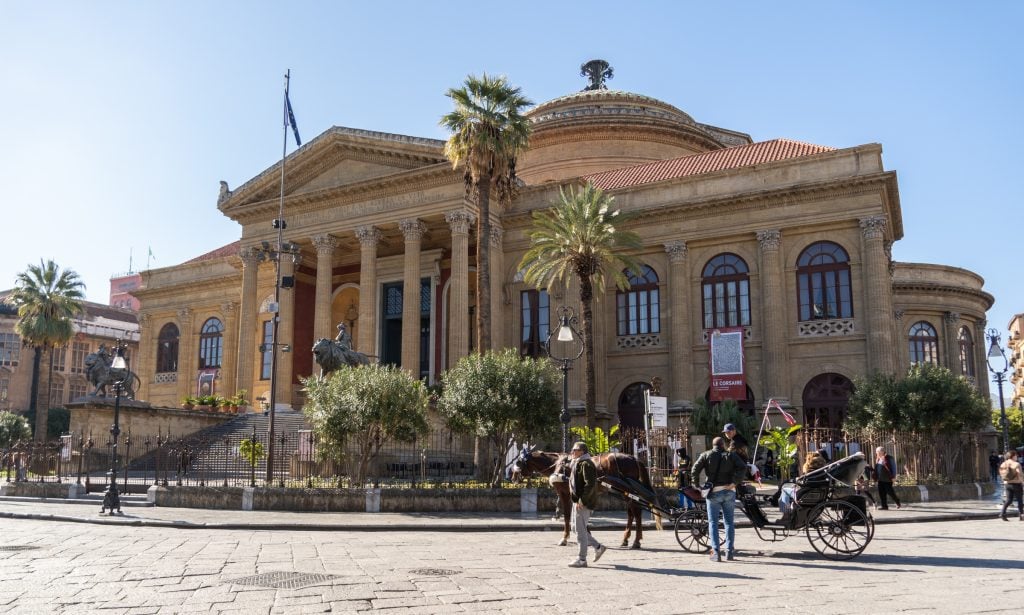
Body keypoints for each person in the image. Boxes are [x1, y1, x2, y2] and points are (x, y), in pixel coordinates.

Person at [692, 436, 746, 562]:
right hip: (729, 491)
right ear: (723, 445)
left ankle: (715, 552)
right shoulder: (731, 455)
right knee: (729, 522)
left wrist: (696, 485)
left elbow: (695, 469)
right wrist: (734, 482)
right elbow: (742, 467)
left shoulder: (706, 455)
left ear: (713, 445)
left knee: (713, 523)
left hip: (713, 492)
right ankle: (730, 552)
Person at [567, 442, 608, 568]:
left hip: (583, 502)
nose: (572, 452)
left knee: (580, 531)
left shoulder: (586, 464)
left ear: (582, 451)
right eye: (573, 449)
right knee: (575, 528)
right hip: (577, 501)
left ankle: (582, 559)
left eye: (575, 450)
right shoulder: (578, 462)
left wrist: (582, 501)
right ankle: (598, 547)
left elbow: (590, 485)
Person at [999, 449, 1024, 521]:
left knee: (1008, 500)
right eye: (1016, 455)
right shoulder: (1016, 464)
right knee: (1020, 500)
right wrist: (1023, 482)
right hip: (1016, 484)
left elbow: (1001, 473)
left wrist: (1004, 481)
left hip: (1007, 484)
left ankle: (1002, 513)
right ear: (1013, 456)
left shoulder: (1003, 464)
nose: (1017, 457)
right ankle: (1021, 515)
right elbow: (1020, 474)